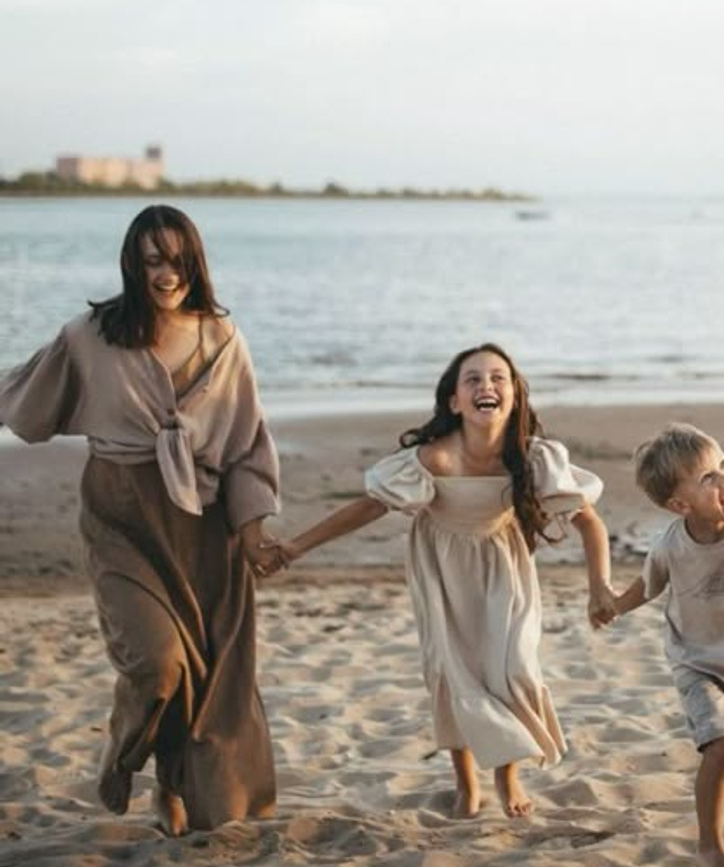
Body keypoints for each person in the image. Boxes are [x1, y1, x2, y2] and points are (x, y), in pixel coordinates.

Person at [0, 205, 283, 836]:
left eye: (179, 259)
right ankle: (124, 745)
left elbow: (245, 443)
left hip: (204, 526)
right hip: (122, 516)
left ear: (195, 262)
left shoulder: (222, 338)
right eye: (154, 259)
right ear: (133, 262)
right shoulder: (90, 334)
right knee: (157, 665)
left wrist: (253, 527)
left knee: (209, 678)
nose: (167, 273)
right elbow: (27, 396)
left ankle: (174, 789)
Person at [274, 342, 616, 820]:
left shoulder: (534, 458)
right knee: (453, 671)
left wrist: (599, 587)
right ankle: (466, 783)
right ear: (455, 401)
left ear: (514, 395)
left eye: (498, 377)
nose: (486, 386)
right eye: (472, 379)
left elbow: (589, 522)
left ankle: (506, 773)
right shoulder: (435, 458)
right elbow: (369, 506)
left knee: (513, 666)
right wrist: (297, 546)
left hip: (503, 562)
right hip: (441, 565)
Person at [605, 423, 724, 867]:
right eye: (708, 477)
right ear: (680, 504)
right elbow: (646, 586)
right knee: (723, 746)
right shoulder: (671, 545)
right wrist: (614, 606)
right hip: (696, 663)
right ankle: (710, 843)